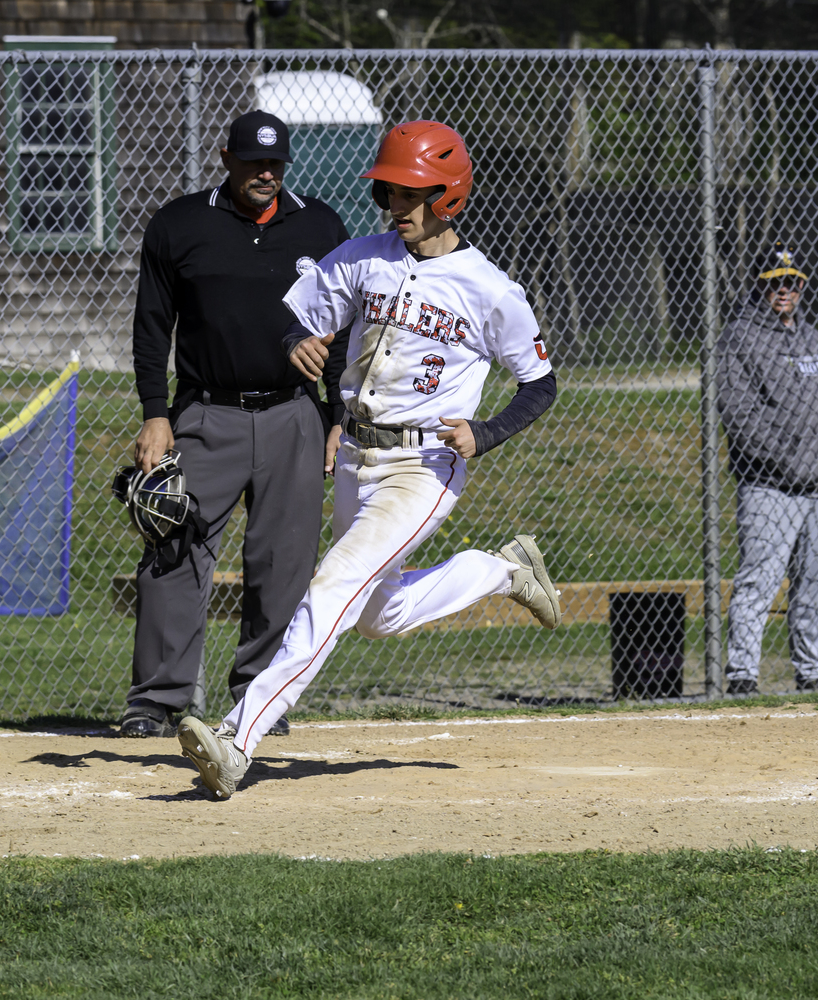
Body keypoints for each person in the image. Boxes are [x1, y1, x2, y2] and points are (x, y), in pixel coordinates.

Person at [174, 120, 560, 800]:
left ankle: (239, 740)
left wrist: (488, 432)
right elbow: (299, 314)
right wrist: (298, 341)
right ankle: (502, 570)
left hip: (423, 468)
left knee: (331, 587)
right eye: (389, 190)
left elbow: (540, 383)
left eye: (413, 193)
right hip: (355, 453)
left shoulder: (489, 288)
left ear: (451, 196)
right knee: (380, 614)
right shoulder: (363, 256)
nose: (396, 205)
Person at [121, 110, 351, 738]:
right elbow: (151, 327)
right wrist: (155, 415)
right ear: (226, 158)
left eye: (276, 163)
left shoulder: (321, 225)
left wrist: (338, 416)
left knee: (283, 561)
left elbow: (341, 330)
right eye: (253, 162)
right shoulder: (181, 224)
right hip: (205, 411)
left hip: (295, 414)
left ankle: (258, 697)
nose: (266, 174)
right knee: (173, 545)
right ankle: (158, 698)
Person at [717, 243, 818, 696]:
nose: (784, 290)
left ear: (802, 287)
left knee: (813, 586)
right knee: (759, 580)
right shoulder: (740, 339)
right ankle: (742, 674)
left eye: (792, 282)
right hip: (771, 487)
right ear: (760, 287)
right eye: (775, 283)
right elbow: (739, 416)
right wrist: (791, 456)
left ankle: (812, 670)